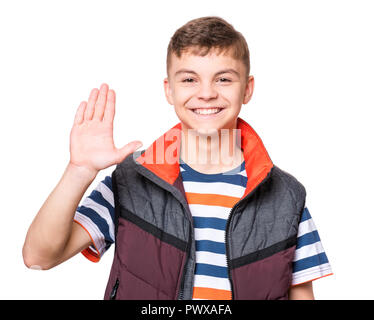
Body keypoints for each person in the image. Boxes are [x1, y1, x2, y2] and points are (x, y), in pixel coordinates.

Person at [23, 16, 332, 300]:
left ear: (247, 89)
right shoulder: (132, 180)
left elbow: (301, 294)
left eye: (223, 79)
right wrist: (80, 170)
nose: (207, 93)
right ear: (168, 90)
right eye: (189, 80)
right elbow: (39, 257)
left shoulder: (286, 197)